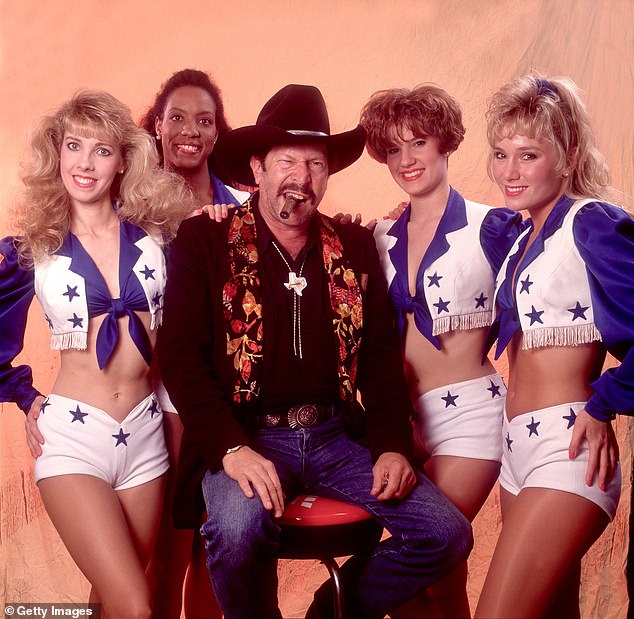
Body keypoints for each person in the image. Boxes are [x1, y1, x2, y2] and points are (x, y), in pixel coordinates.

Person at [157, 83, 473, 619]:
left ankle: (332, 610)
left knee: (445, 534)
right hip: (246, 434)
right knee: (236, 527)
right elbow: (181, 359)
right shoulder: (204, 240)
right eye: (286, 162)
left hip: (335, 437)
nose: (301, 180)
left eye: (316, 165)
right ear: (256, 168)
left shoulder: (350, 244)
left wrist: (393, 444)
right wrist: (231, 449)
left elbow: (378, 358)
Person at [0, 91, 193, 618]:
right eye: (73, 146)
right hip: (72, 438)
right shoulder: (30, 250)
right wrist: (23, 395)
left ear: (124, 160)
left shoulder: (160, 240)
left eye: (101, 150)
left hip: (145, 436)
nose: (84, 163)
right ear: (56, 153)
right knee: (134, 603)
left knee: (118, 594)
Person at [359, 85, 523, 617]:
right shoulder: (379, 236)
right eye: (393, 149)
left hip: (470, 416)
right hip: (399, 423)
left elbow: (547, 284)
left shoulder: (493, 225)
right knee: (438, 580)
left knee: (426, 550)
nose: (406, 160)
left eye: (419, 143)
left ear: (445, 144)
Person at [475, 74, 631, 618]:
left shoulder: (593, 224)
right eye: (500, 154)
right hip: (515, 452)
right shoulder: (519, 236)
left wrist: (604, 400)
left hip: (569, 448)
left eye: (528, 155)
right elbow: (477, 223)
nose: (509, 173)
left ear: (565, 159)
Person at [140, 68, 249, 619]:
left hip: (236, 393)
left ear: (217, 133)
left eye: (203, 120)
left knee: (220, 554)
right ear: (156, 125)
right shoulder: (127, 209)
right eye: (176, 117)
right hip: (161, 396)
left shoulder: (244, 209)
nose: (189, 130)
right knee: (170, 550)